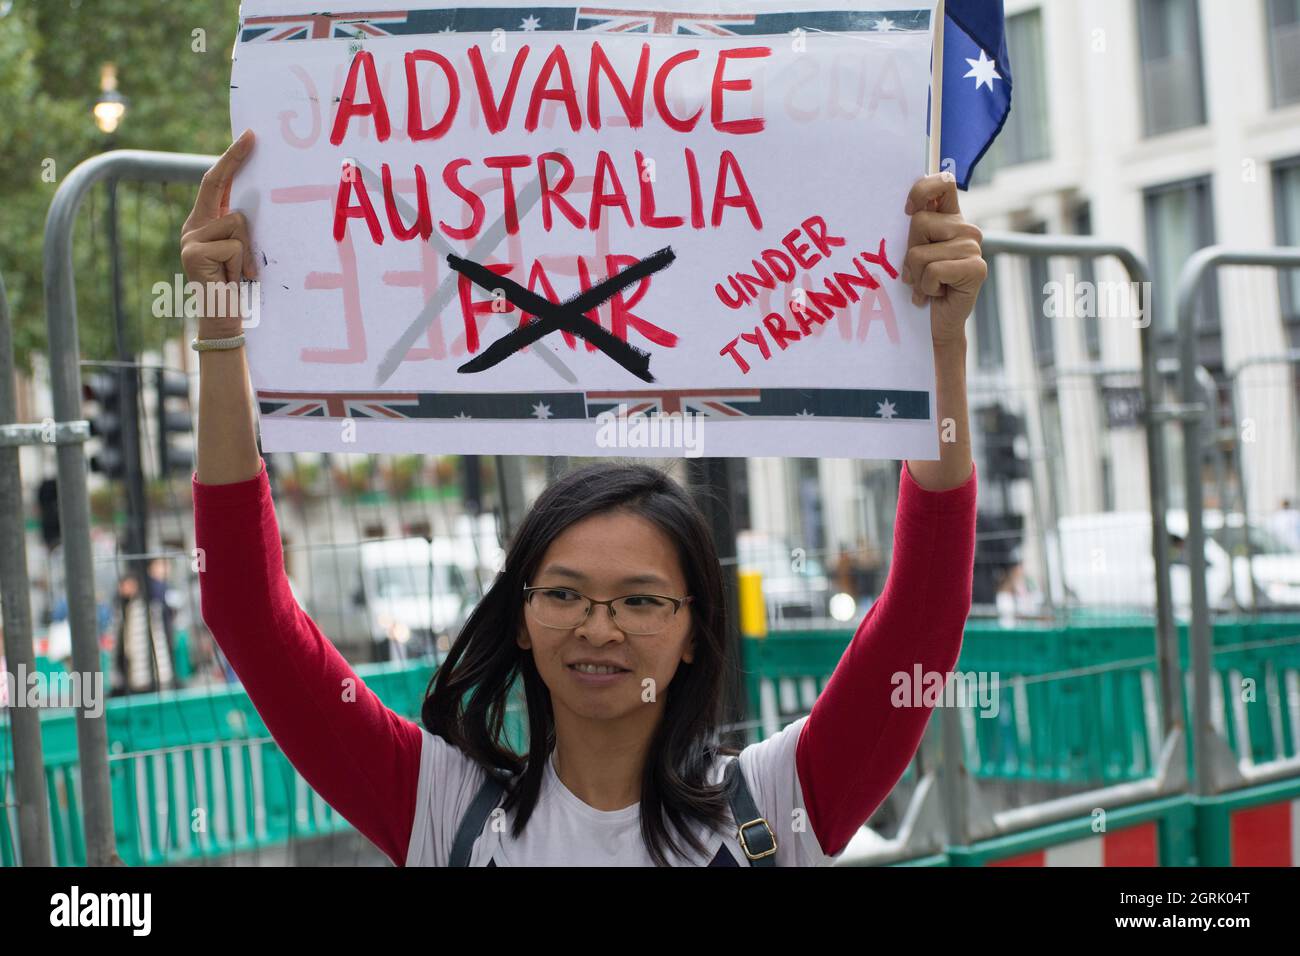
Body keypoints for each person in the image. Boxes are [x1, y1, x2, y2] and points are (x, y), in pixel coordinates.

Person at [184, 131, 983, 866]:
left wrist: (941, 346)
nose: (597, 628)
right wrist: (220, 333)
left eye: (640, 601)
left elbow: (922, 616)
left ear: (696, 632)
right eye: (564, 593)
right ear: (523, 620)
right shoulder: (440, 807)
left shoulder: (780, 802)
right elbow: (248, 612)